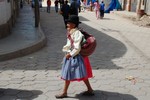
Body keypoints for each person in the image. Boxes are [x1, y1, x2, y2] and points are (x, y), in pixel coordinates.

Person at [55, 15, 94, 99]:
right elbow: (69, 44)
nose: (67, 24)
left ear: (74, 24)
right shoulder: (71, 32)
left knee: (67, 74)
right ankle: (90, 89)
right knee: (82, 74)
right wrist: (66, 49)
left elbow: (77, 47)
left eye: (69, 23)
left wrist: (70, 54)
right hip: (72, 55)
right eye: (67, 23)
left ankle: (64, 92)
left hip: (76, 57)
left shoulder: (77, 33)